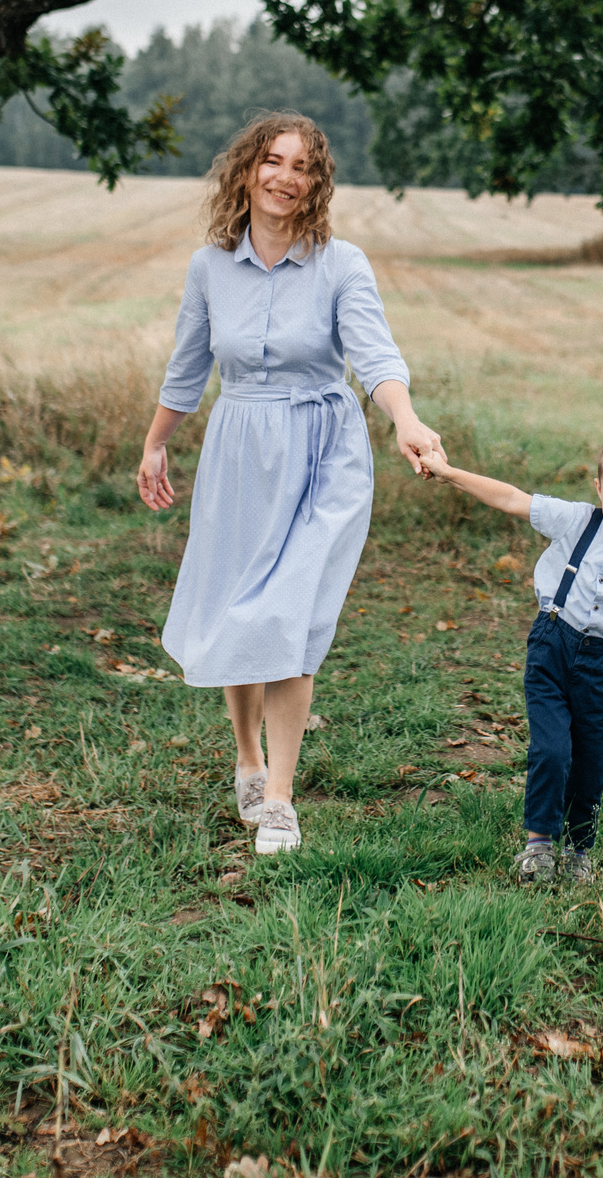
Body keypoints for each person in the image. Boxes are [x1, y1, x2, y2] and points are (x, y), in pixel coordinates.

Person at [137, 112, 444, 856]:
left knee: (291, 617)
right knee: (240, 609)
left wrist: (405, 418)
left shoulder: (342, 263)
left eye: (301, 165)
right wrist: (155, 444)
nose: (285, 176)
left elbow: (375, 355)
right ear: (247, 171)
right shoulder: (210, 267)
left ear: (317, 181)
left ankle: (279, 796)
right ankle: (247, 756)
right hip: (241, 450)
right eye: (272, 161)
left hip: (324, 453)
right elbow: (188, 368)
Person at [424, 425, 603, 884]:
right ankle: (538, 844)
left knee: (590, 762)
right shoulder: (578, 520)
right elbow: (513, 499)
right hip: (552, 647)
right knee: (552, 749)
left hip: (600, 666)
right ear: (599, 488)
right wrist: (449, 472)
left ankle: (579, 850)